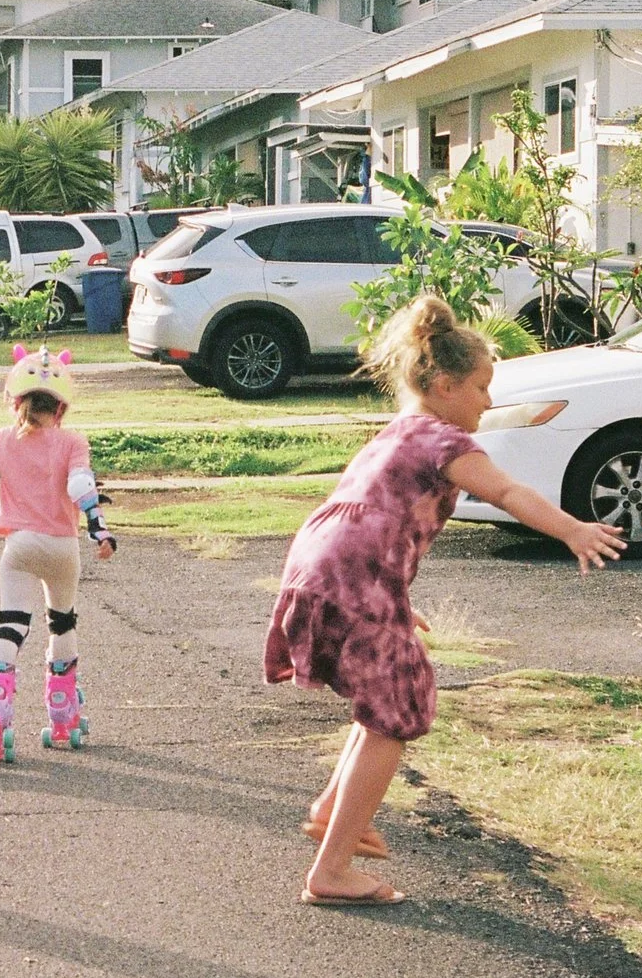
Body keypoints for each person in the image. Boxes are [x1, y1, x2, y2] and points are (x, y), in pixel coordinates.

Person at [266, 297, 623, 907]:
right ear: (443, 385)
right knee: (397, 714)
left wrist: (393, 597)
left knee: (384, 700)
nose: (488, 400)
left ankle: (333, 809)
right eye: (481, 387)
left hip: (322, 567)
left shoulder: (398, 432)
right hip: (356, 575)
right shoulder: (442, 440)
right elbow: (508, 492)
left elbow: (372, 517)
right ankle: (330, 871)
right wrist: (572, 529)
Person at [0, 346, 116, 765]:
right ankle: (64, 715)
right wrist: (98, 528)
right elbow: (81, 486)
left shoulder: (1, 440)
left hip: (20, 546)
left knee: (11, 626)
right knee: (61, 621)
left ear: (16, 402)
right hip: (62, 546)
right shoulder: (72, 442)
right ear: (61, 407)